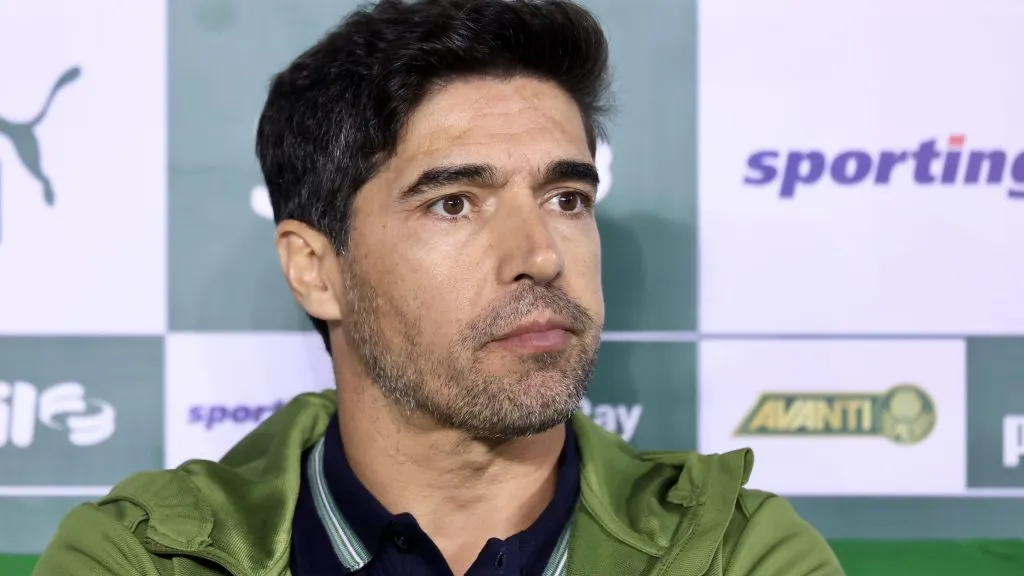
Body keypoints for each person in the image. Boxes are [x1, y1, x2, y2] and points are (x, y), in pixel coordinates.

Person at [33, 0, 844, 574]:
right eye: (454, 203)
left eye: (566, 199)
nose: (540, 255)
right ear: (315, 270)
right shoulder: (146, 558)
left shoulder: (738, 553)